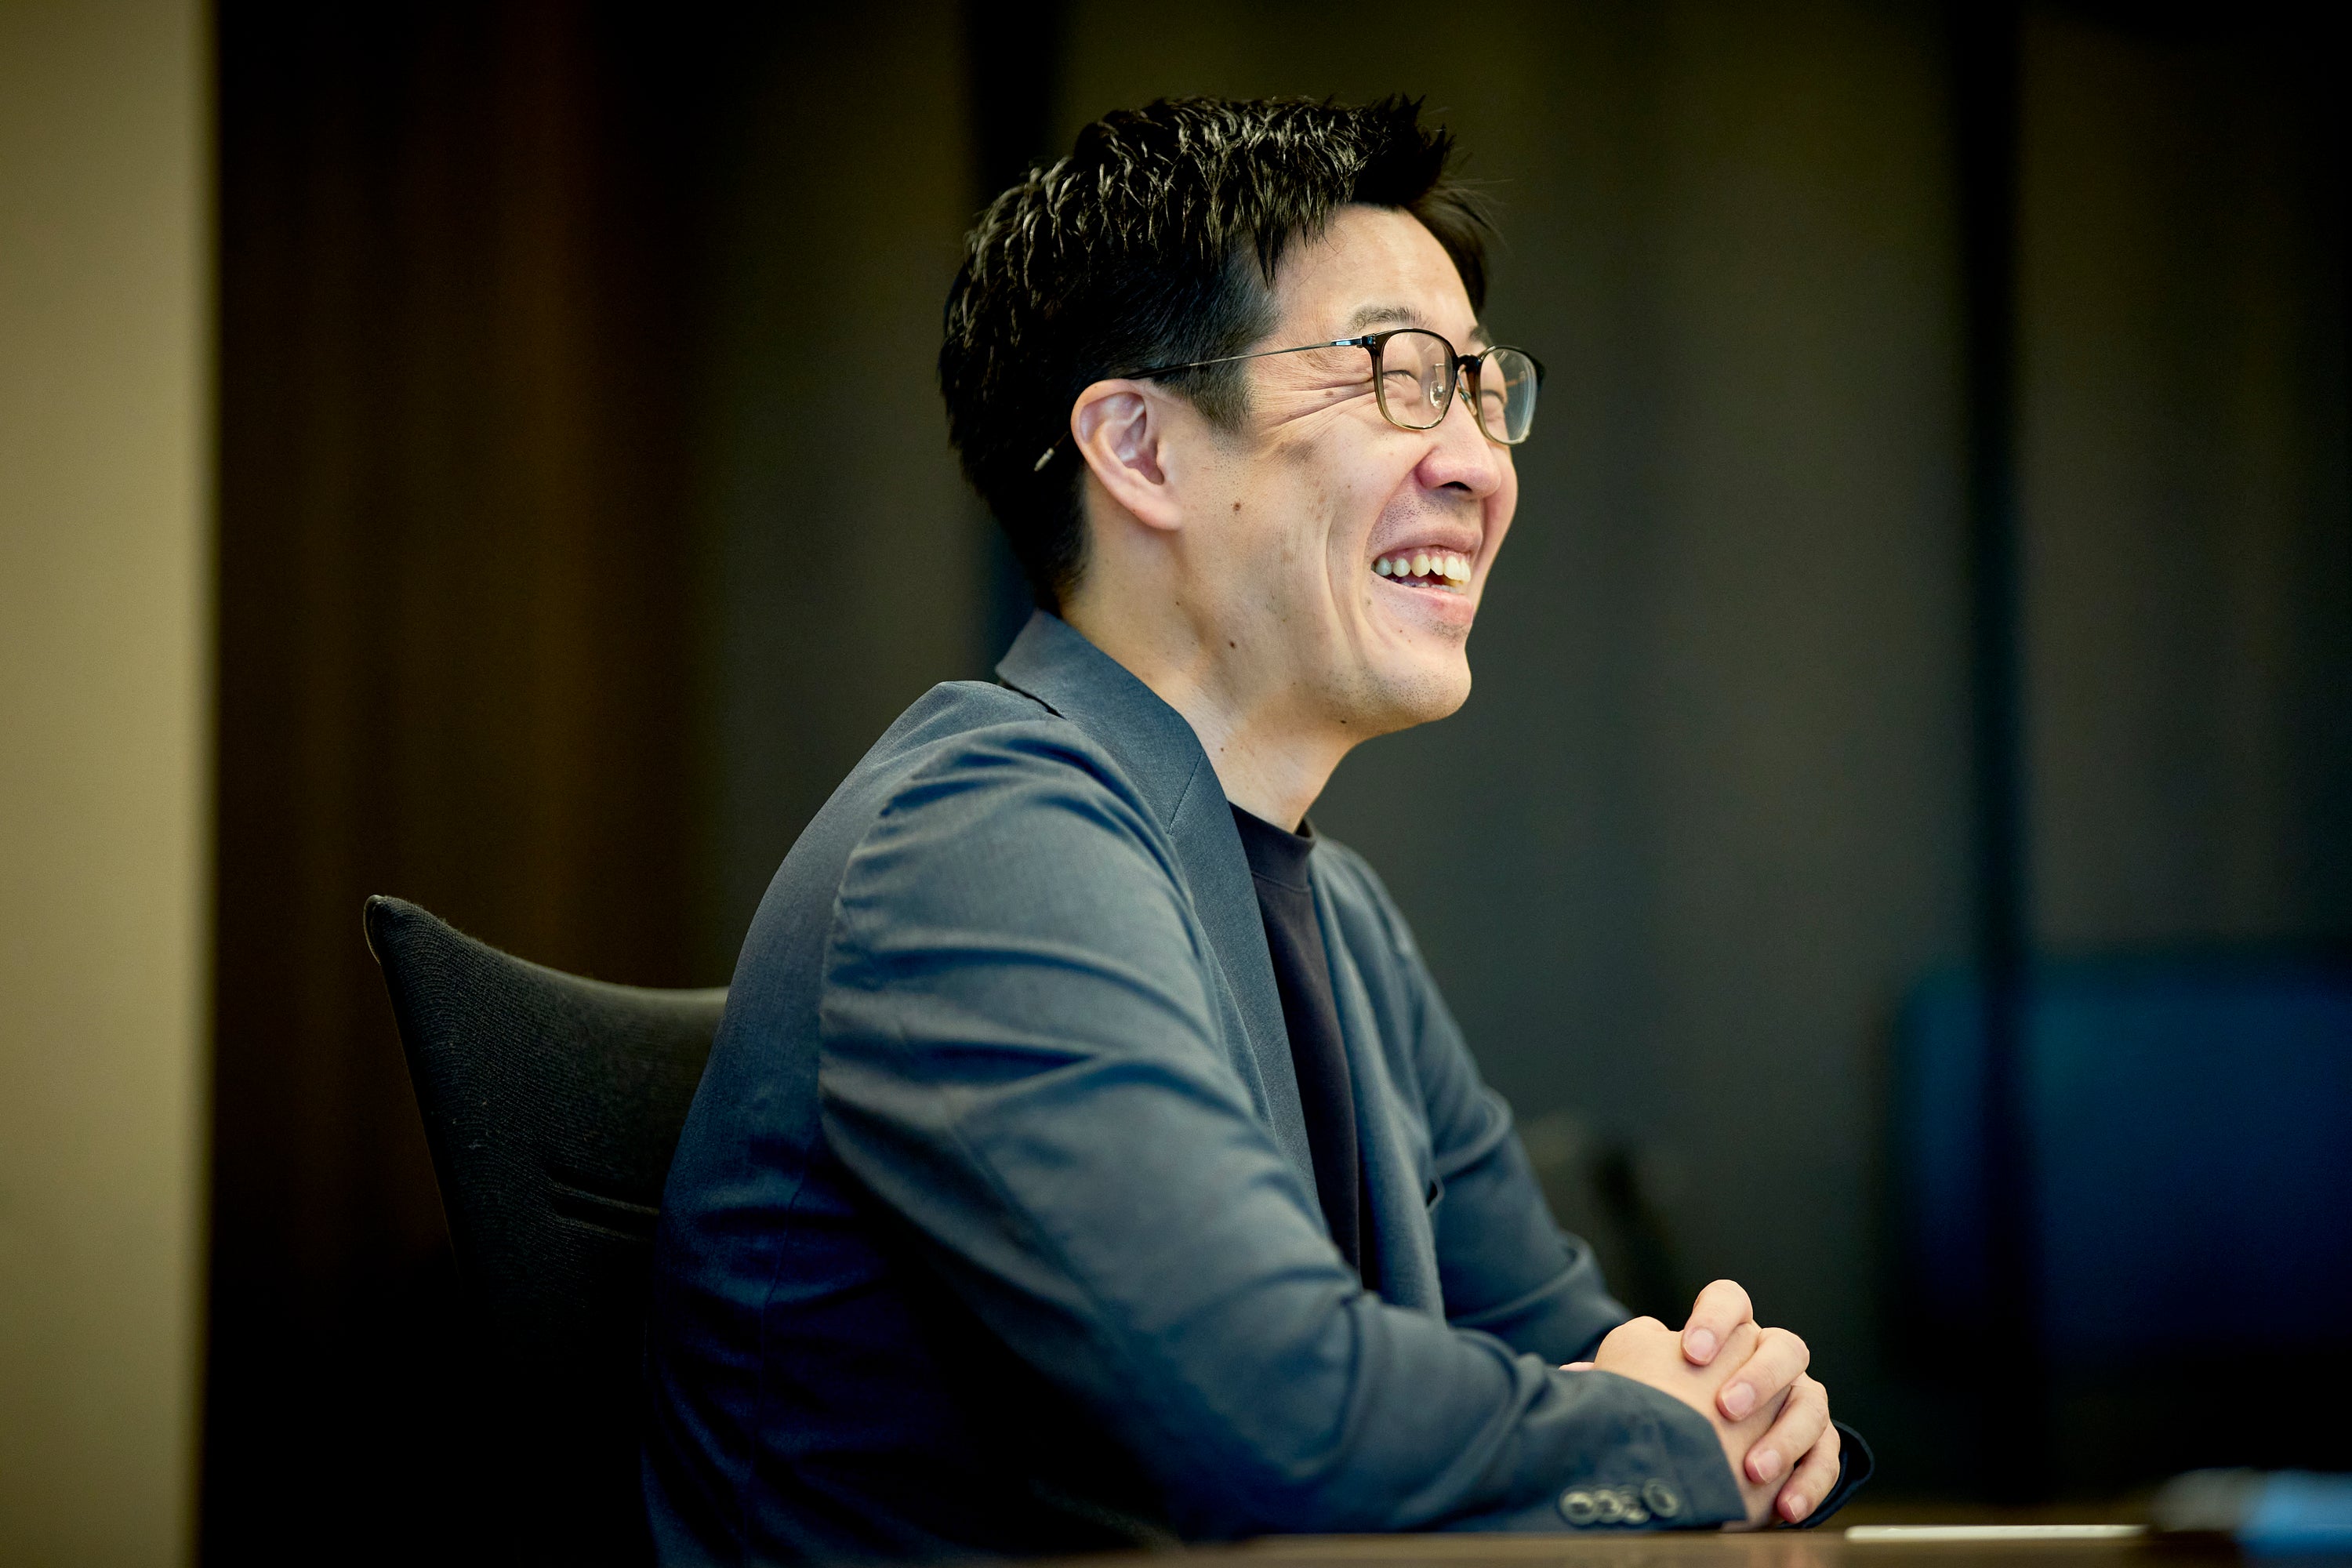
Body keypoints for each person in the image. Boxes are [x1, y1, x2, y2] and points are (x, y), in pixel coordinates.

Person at [643, 95, 1867, 1564]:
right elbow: (1274, 1423)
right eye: (1400, 377)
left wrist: (1751, 1420)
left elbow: (1575, 1351)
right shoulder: (976, 843)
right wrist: (1666, 1440)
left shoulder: (1341, 920)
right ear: (1140, 449)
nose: (1481, 463)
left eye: (1485, 388)